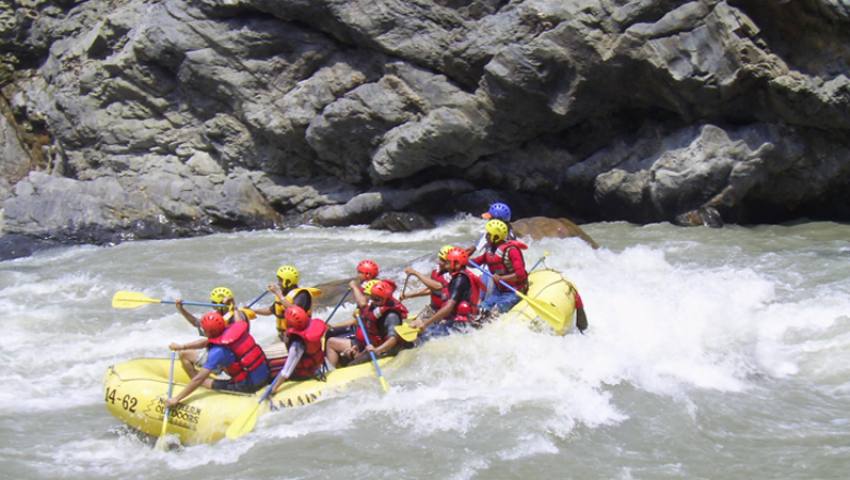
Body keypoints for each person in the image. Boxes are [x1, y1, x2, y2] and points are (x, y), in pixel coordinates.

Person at [166, 311, 270, 407]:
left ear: (208, 332)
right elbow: (207, 342)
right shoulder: (238, 326)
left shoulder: (217, 352)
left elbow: (199, 378)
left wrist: (176, 399)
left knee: (204, 382)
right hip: (265, 374)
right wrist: (182, 347)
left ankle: (199, 389)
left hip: (248, 386)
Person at [174, 287, 255, 377]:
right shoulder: (241, 314)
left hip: (227, 360)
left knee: (183, 354)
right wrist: (181, 309)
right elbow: (197, 323)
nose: (212, 306)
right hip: (241, 355)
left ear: (218, 304)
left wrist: (182, 346)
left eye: (213, 303)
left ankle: (200, 382)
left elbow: (199, 329)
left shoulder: (222, 322)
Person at [326, 280, 409, 367]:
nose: (372, 301)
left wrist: (377, 350)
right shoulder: (374, 307)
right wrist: (358, 347)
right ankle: (333, 369)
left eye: (376, 299)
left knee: (352, 365)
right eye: (371, 297)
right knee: (332, 342)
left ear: (386, 299)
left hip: (383, 349)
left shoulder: (391, 316)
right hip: (370, 344)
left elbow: (393, 339)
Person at [409, 247, 485, 336]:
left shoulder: (459, 280)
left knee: (424, 336)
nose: (446, 266)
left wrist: (426, 324)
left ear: (456, 265)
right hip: (458, 320)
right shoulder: (459, 276)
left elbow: (448, 307)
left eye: (448, 263)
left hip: (461, 324)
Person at [471, 219, 528, 314]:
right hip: (500, 290)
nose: (486, 237)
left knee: (495, 311)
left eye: (488, 234)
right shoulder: (490, 251)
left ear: (496, 237)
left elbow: (520, 275)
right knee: (481, 309)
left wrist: (502, 278)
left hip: (515, 291)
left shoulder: (512, 251)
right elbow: (476, 262)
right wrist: (462, 259)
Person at [269, 306, 328, 393]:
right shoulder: (311, 329)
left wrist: (272, 390)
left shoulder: (297, 344)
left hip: (305, 374)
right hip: (318, 366)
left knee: (273, 368)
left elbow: (286, 373)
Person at [402, 245, 452, 322]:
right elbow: (431, 290)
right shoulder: (436, 270)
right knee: (412, 324)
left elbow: (438, 286)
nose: (440, 262)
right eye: (440, 259)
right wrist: (409, 295)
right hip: (433, 308)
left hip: (445, 313)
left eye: (444, 261)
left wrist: (415, 273)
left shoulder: (453, 275)